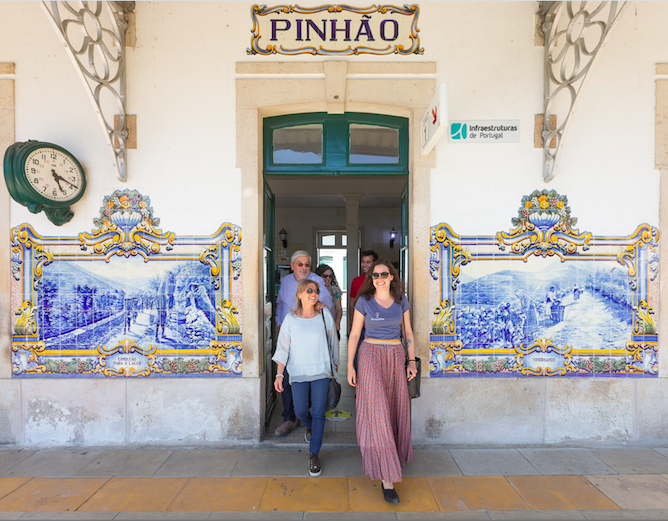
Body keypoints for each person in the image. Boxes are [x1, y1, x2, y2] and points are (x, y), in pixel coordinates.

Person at [347, 259, 417, 504]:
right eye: (375, 274)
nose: (379, 278)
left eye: (384, 274)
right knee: (377, 411)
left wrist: (412, 361)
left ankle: (391, 456)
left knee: (395, 408)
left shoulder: (401, 301)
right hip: (369, 356)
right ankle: (388, 478)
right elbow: (355, 333)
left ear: (391, 277)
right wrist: (349, 365)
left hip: (396, 355)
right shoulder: (363, 301)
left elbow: (408, 333)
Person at [272, 278, 338, 477]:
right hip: (298, 372)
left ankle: (313, 454)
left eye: (316, 290)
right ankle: (309, 427)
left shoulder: (325, 315)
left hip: (321, 371)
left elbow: (333, 342)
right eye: (309, 290)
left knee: (318, 412)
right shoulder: (291, 320)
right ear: (299, 294)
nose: (313, 293)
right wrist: (278, 374)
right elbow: (283, 348)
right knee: (300, 410)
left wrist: (335, 366)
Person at [274, 250, 333, 436]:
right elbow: (281, 304)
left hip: (308, 338)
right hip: (288, 334)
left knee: (307, 380)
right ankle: (289, 418)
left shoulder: (316, 282)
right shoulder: (285, 282)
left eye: (307, 264)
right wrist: (278, 323)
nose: (304, 268)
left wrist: (316, 302)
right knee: (288, 379)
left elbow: (326, 302)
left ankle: (310, 418)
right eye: (300, 264)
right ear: (292, 266)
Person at [315, 264, 342, 339]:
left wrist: (337, 322)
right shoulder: (313, 290)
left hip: (331, 324)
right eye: (325, 276)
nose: (328, 278)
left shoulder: (335, 290)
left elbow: (339, 308)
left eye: (330, 276)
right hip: (317, 325)